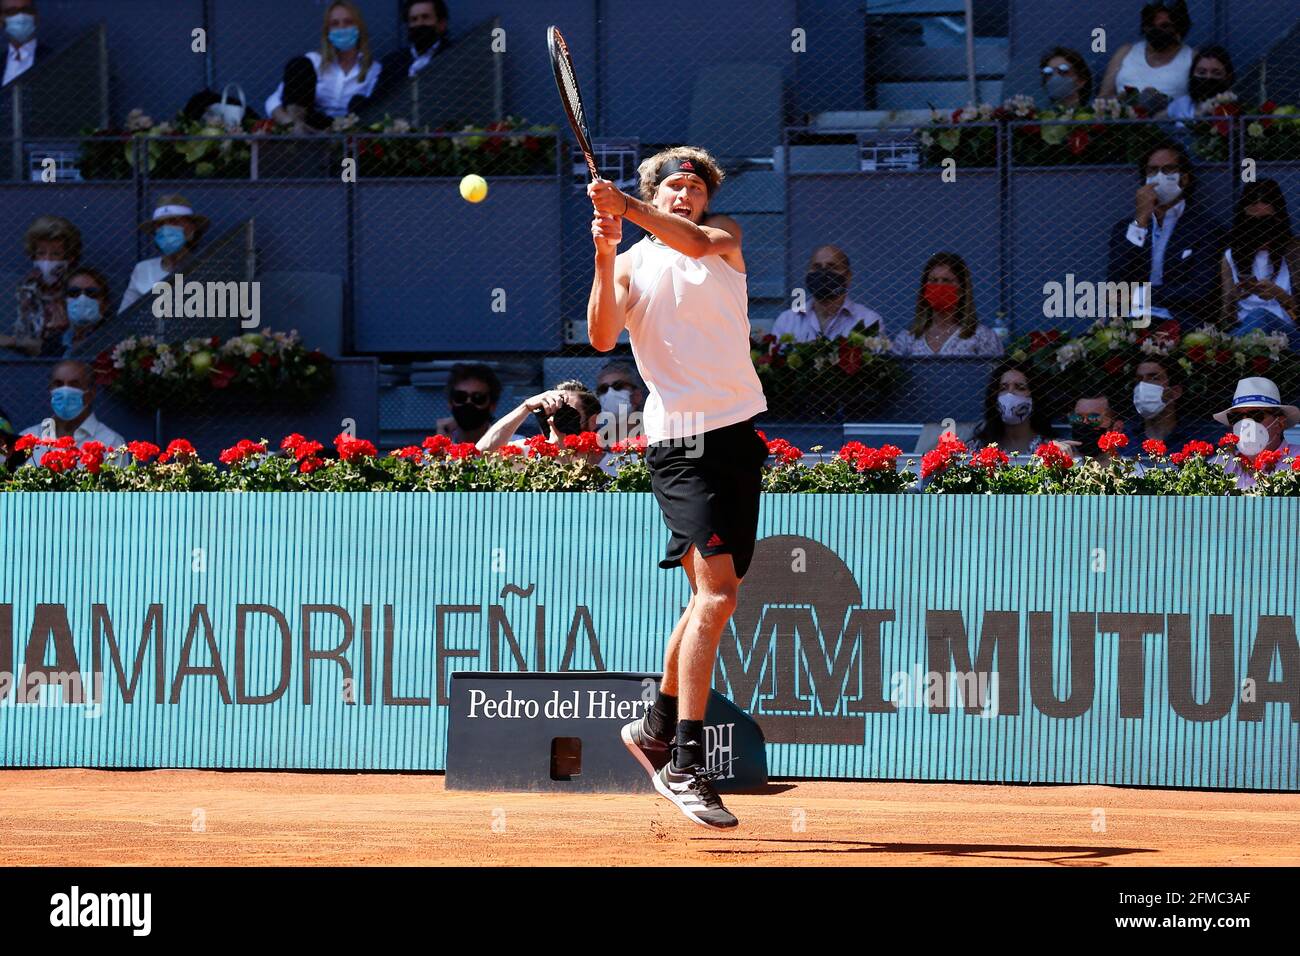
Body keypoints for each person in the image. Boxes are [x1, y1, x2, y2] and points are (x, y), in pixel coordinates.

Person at [587, 145, 767, 829]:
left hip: (739, 435)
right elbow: (604, 334)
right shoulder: (633, 262)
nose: (686, 194)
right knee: (718, 592)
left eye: (695, 187)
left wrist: (624, 209)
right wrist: (607, 251)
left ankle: (654, 725)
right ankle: (685, 762)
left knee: (709, 595)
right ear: (654, 193)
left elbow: (691, 242)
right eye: (673, 186)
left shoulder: (723, 241)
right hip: (679, 444)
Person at [1108, 140, 1222, 329]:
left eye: (1168, 170)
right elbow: (1115, 285)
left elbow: (1202, 291)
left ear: (1184, 178)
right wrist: (1141, 220)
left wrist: (1141, 294)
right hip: (1129, 321)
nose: (1159, 177)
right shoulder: (1126, 228)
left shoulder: (1206, 229)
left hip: (1180, 322)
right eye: (1152, 171)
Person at [265, 1, 382, 131]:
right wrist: (291, 124)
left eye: (348, 22)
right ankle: (299, 133)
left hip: (349, 129)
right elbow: (273, 101)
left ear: (359, 28)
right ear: (327, 32)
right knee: (299, 64)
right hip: (310, 125)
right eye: (335, 24)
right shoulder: (313, 61)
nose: (342, 28)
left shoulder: (373, 69)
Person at [1220, 179, 1298, 343]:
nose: (1260, 230)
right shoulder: (1231, 256)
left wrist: (1280, 295)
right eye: (1252, 223)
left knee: (1260, 316)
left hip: (1287, 336)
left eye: (1266, 222)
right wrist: (1232, 298)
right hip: (1244, 331)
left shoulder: (1294, 253)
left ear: (1279, 219)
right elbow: (1227, 319)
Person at [476, 380, 612, 471]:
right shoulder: (528, 454)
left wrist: (564, 457)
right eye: (549, 414)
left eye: (568, 415)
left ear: (592, 421)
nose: (552, 421)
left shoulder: (617, 465)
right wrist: (526, 407)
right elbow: (482, 455)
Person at [891, 252, 1002, 357]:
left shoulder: (982, 337)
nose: (939, 286)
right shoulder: (907, 339)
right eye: (933, 280)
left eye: (947, 280)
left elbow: (996, 373)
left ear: (962, 289)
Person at [18, 360, 126, 467]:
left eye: (74, 385)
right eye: (58, 384)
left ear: (91, 392)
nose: (65, 391)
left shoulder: (111, 441)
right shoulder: (27, 439)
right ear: (50, 390)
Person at [1, 214, 79, 357]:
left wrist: (12, 342)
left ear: (69, 257)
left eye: (55, 254)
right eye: (41, 253)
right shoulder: (24, 291)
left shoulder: (78, 290)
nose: (47, 260)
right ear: (33, 256)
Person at [119, 195, 210, 315]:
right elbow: (124, 315)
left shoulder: (207, 267)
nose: (166, 228)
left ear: (192, 228)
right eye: (160, 224)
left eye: (174, 221)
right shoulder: (143, 269)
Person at [771, 245, 883, 342]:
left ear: (848, 277)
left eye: (832, 267)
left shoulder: (868, 322)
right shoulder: (787, 321)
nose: (823, 274)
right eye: (817, 267)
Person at [1098, 1, 1194, 111]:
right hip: (1124, 120)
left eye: (1165, 26)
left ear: (1178, 26)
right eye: (1151, 26)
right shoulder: (1125, 52)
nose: (1157, 31)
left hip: (1168, 123)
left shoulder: (1191, 57)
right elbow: (1104, 95)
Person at [1213, 376, 1300, 489]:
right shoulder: (1219, 466)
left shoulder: (1297, 459)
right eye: (1236, 417)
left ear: (1280, 423)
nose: (1245, 424)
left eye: (1255, 415)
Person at [968, 360, 1060, 454]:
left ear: (1034, 398)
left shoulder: (1052, 448)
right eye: (1003, 388)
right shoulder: (977, 448)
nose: (1010, 393)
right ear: (994, 398)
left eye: (1020, 388)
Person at [1121, 356, 1209, 454]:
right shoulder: (1123, 443)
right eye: (1138, 380)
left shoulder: (1203, 440)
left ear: (1175, 392)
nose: (1142, 385)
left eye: (1154, 378)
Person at [374, 0, 451, 101]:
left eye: (425, 17)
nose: (419, 24)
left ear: (441, 24)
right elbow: (377, 101)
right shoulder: (392, 63)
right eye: (414, 19)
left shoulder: (453, 56)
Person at [432, 362, 513, 445]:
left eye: (478, 398)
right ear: (450, 403)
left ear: (492, 406)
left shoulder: (513, 445)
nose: (468, 403)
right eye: (460, 397)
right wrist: (441, 449)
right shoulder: (433, 453)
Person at [1166, 46, 1234, 121]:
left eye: (1216, 73)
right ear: (1192, 74)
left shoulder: (1234, 106)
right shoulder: (1183, 103)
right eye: (1202, 72)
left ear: (1228, 78)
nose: (1208, 77)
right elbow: (1157, 119)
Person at [60, 267, 111, 357]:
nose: (82, 299)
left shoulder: (113, 343)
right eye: (74, 293)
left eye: (91, 293)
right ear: (64, 302)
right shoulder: (53, 343)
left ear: (105, 304)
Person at [595, 358, 646, 446]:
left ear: (637, 395)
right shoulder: (596, 445)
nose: (610, 393)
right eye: (603, 389)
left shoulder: (653, 438)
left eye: (618, 386)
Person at [1069, 392, 1126, 463]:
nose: (1084, 423)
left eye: (1093, 418)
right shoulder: (1066, 469)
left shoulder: (1136, 472)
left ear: (1117, 428)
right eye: (1078, 418)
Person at [1, 0, 46, 87]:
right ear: (1, 19)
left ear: (36, 16)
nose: (21, 17)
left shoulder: (52, 59)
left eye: (26, 10)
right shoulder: (2, 61)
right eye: (12, 12)